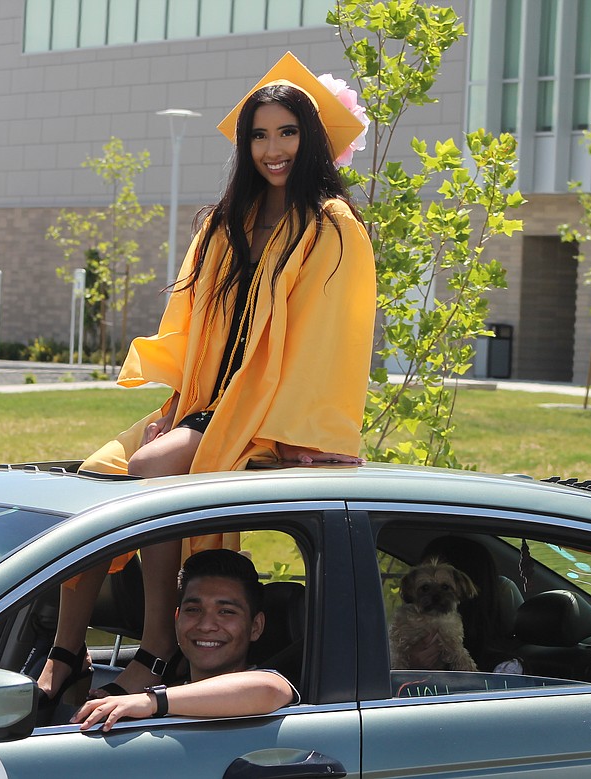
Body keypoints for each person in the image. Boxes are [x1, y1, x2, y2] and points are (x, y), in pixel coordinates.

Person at [38, 52, 375, 703]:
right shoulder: (227, 225)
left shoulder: (333, 226)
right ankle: (66, 648)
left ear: (312, 140)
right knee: (92, 480)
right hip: (204, 401)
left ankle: (157, 646)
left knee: (152, 467)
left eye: (287, 132)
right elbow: (193, 326)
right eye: (259, 133)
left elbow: (329, 340)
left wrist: (299, 429)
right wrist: (179, 401)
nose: (272, 148)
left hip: (273, 408)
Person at [70, 549, 299, 732]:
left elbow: (269, 688)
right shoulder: (170, 691)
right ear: (177, 619)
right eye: (194, 609)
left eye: (226, 612)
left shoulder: (263, 690)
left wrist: (150, 702)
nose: (206, 625)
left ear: (255, 626)